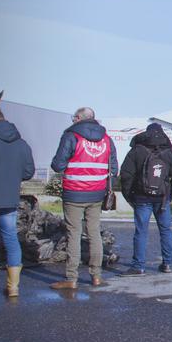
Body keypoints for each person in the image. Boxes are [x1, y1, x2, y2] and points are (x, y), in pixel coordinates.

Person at [49, 107, 118, 289]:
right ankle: (96, 276)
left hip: (74, 193)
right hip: (97, 193)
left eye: (74, 118)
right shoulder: (107, 139)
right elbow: (114, 168)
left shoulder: (71, 136)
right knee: (94, 233)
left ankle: (71, 279)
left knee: (74, 234)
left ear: (79, 118)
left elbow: (57, 165)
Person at [0, 109, 35, 301]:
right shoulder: (22, 144)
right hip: (10, 199)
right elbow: (28, 172)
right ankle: (13, 288)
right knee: (11, 240)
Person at [119, 122, 172, 275]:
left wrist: (129, 196)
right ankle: (167, 264)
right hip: (162, 199)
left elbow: (126, 176)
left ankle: (138, 266)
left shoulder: (136, 151)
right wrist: (170, 196)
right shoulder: (169, 153)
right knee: (166, 231)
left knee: (141, 232)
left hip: (141, 198)